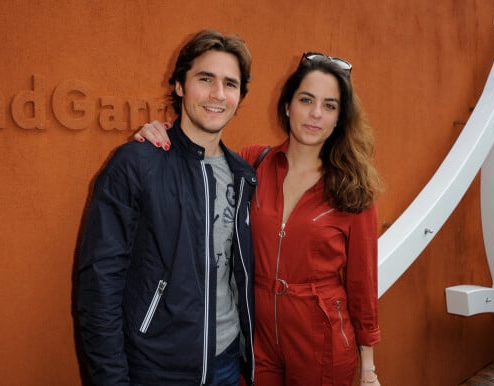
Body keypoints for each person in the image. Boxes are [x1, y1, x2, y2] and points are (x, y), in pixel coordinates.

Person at [135, 52, 383, 385]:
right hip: (257, 339)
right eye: (306, 100)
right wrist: (163, 134)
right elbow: (200, 160)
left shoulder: (353, 187)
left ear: (340, 118)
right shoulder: (254, 163)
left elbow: (362, 282)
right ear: (287, 106)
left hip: (321, 340)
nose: (314, 114)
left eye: (329, 106)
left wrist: (368, 367)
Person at [77, 29, 257, 386]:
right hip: (156, 369)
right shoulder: (136, 163)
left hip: (225, 365)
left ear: (240, 95)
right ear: (179, 85)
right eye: (205, 79)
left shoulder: (244, 175)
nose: (218, 94)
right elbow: (99, 285)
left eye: (230, 84)